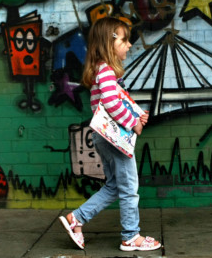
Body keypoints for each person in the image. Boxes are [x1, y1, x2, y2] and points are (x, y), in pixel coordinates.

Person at [59, 17, 162, 252]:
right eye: (124, 40)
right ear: (109, 43)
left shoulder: (102, 70)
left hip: (104, 137)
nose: (129, 45)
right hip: (114, 139)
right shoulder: (105, 70)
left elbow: (116, 102)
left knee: (115, 186)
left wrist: (136, 115)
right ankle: (130, 237)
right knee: (129, 189)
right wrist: (133, 123)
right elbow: (112, 105)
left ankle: (76, 219)